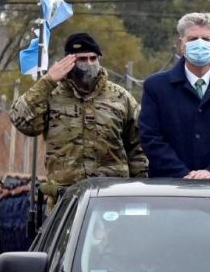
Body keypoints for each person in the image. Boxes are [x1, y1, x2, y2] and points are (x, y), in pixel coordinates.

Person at [9, 32, 147, 206]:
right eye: (82, 59)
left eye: (93, 58)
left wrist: (140, 195)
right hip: (65, 202)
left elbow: (138, 149)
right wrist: (48, 81)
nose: (88, 64)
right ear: (69, 62)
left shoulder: (121, 98)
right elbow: (20, 120)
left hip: (113, 198)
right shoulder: (51, 96)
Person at [139, 13, 210, 180]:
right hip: (168, 187)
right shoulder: (156, 87)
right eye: (193, 38)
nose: (200, 43)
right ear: (181, 44)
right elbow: (150, 137)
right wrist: (181, 173)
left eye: (207, 39)